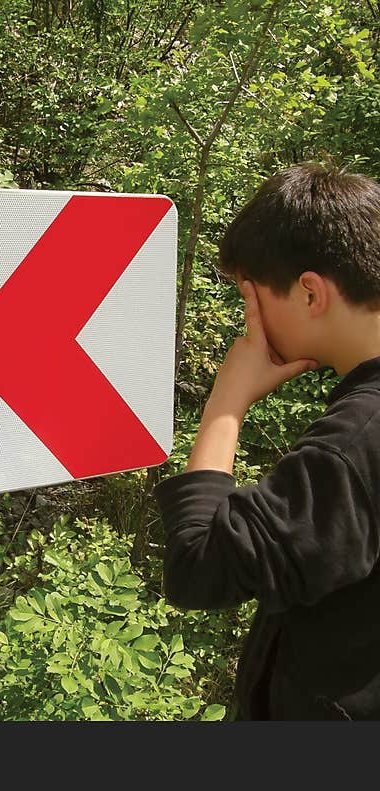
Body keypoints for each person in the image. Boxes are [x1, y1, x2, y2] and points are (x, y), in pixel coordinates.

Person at [153, 162, 380, 720]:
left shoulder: (352, 446)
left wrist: (225, 403)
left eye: (252, 301)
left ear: (309, 293)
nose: (249, 325)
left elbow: (200, 565)